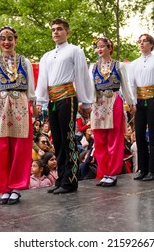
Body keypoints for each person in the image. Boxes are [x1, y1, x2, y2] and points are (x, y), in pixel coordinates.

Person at [35, 18, 94, 194]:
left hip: (68, 97)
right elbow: (43, 80)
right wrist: (40, 101)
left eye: (59, 29)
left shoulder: (75, 51)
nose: (55, 32)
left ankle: (71, 180)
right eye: (53, 29)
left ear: (67, 32)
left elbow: (82, 76)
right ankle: (61, 178)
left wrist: (85, 100)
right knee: (58, 141)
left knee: (68, 139)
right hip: (53, 100)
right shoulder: (46, 56)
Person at [0, 25, 36, 205]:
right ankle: (4, 187)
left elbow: (30, 88)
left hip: (21, 104)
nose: (6, 42)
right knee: (1, 147)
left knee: (20, 147)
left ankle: (16, 186)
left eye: (10, 38)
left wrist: (33, 105)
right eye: (3, 39)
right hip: (0, 105)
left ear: (15, 40)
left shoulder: (25, 62)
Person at [89, 37, 135, 187]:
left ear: (110, 48)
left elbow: (125, 86)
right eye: (98, 46)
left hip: (114, 99)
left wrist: (131, 102)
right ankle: (103, 172)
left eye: (103, 46)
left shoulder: (119, 65)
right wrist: (87, 103)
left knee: (114, 138)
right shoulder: (93, 67)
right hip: (98, 102)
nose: (100, 49)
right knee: (99, 139)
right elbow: (90, 87)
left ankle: (112, 173)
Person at [129, 33, 154, 181]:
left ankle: (153, 169)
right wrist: (132, 101)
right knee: (139, 133)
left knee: (153, 133)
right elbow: (131, 84)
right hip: (139, 100)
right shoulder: (134, 64)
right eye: (140, 41)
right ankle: (143, 168)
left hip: (153, 98)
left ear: (151, 44)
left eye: (145, 41)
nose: (142, 44)